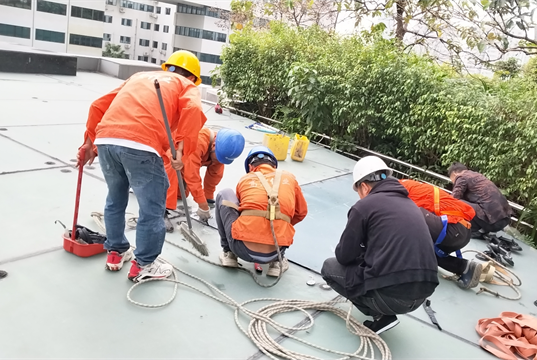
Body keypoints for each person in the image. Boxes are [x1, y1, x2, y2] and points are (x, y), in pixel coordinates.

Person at [77, 50, 207, 283]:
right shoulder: (187, 86)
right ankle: (145, 264)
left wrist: (89, 143)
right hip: (142, 145)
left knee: (115, 199)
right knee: (152, 208)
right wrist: (181, 151)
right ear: (193, 77)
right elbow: (193, 111)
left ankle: (116, 253)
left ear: (168, 67)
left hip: (106, 140)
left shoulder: (139, 77)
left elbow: (98, 105)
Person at [321, 156, 439, 334]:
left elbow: (344, 256)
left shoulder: (365, 206)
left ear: (364, 186)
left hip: (393, 297)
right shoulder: (411, 205)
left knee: (329, 267)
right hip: (422, 295)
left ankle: (380, 316)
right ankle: (383, 311)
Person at [215, 146, 308, 277]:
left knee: (224, 194)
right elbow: (301, 212)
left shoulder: (245, 179)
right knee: (282, 217)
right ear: (274, 165)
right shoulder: (289, 178)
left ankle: (229, 254)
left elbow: (240, 212)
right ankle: (276, 262)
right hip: (276, 250)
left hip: (241, 249)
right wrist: (279, 225)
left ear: (250, 167)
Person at [399, 179, 483, 289]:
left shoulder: (396, 191)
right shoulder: (403, 185)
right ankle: (465, 267)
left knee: (405, 216)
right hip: (461, 231)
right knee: (425, 253)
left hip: (452, 228)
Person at [163, 127, 245, 231]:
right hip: (170, 158)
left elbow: (214, 175)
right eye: (217, 157)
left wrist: (207, 199)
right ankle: (160, 212)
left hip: (185, 163)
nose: (218, 161)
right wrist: (202, 204)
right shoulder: (198, 142)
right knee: (171, 172)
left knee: (181, 195)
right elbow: (192, 176)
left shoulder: (220, 152)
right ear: (214, 145)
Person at [448, 162, 512, 238]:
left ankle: (471, 230)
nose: (453, 183)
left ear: (454, 173)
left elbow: (453, 199)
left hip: (492, 223)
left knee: (456, 203)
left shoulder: (461, 177)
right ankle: (479, 229)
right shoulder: (476, 175)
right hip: (504, 220)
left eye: (452, 179)